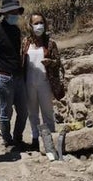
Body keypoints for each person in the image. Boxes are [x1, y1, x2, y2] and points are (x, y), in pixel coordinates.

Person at [0, 0, 29, 150]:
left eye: (17, 11)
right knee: (6, 112)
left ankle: (18, 138)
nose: (15, 14)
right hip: (4, 77)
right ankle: (8, 141)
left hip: (18, 77)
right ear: (5, 13)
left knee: (23, 112)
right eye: (13, 12)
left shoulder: (16, 30)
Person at [23, 13, 64, 161]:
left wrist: (50, 62)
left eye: (41, 22)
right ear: (30, 25)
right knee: (32, 112)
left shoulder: (50, 43)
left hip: (45, 82)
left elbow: (58, 62)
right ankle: (35, 139)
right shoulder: (25, 43)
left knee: (47, 112)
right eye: (35, 23)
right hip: (29, 82)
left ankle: (51, 138)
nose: (39, 26)